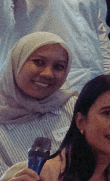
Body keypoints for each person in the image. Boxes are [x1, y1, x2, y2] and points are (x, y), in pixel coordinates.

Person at [0, 33, 73, 167]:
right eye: (38, 62)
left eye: (59, 66)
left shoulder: (75, 106)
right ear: (16, 61)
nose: (47, 74)